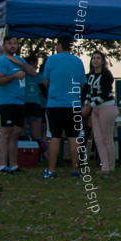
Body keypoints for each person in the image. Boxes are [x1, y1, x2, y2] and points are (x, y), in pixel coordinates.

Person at [41, 36, 86, 179]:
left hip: (55, 103)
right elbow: (82, 84)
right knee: (73, 137)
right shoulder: (78, 61)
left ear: (59, 45)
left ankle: (51, 170)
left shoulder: (51, 60)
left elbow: (45, 81)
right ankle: (75, 170)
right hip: (73, 104)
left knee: (55, 136)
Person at [0, 35, 36, 174]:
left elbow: (33, 72)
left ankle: (14, 165)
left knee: (16, 132)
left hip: (19, 101)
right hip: (7, 101)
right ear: (4, 45)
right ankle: (2, 165)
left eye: (15, 43)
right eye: (9, 43)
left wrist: (20, 63)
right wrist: (13, 77)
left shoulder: (19, 60)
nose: (12, 46)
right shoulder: (2, 61)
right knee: (6, 133)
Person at [82, 50, 118, 174]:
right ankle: (104, 166)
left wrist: (90, 106)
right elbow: (88, 93)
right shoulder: (89, 76)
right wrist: (87, 105)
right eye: (93, 58)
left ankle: (111, 166)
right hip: (95, 109)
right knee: (97, 138)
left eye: (98, 58)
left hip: (106, 107)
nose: (95, 60)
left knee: (107, 138)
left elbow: (105, 92)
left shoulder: (107, 75)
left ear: (103, 61)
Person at [23, 55, 45, 146]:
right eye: (36, 63)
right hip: (32, 104)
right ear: (31, 63)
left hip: (24, 104)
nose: (37, 66)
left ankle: (26, 155)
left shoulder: (21, 74)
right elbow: (43, 90)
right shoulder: (37, 76)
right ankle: (36, 156)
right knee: (35, 134)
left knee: (22, 132)